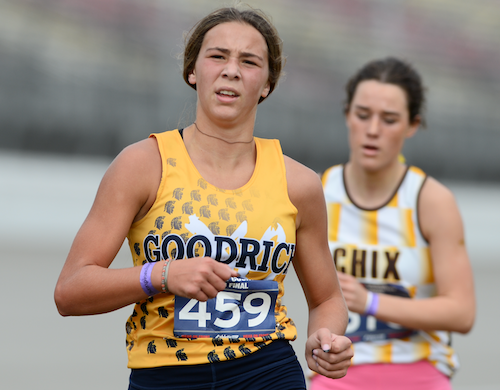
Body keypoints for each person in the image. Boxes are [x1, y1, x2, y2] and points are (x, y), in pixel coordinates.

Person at [54, 6, 353, 390]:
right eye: (217, 56)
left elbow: (327, 298)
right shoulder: (143, 165)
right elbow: (71, 290)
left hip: (267, 371)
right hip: (165, 375)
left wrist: (324, 340)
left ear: (266, 84)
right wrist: (162, 274)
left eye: (249, 61)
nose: (231, 69)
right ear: (193, 72)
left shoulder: (299, 183)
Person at [309, 57, 476, 390]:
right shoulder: (317, 192)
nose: (373, 130)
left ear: (412, 125)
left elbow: (462, 312)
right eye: (362, 115)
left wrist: (370, 302)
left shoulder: (430, 200)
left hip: (417, 366)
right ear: (346, 115)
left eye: (389, 119)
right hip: (338, 371)